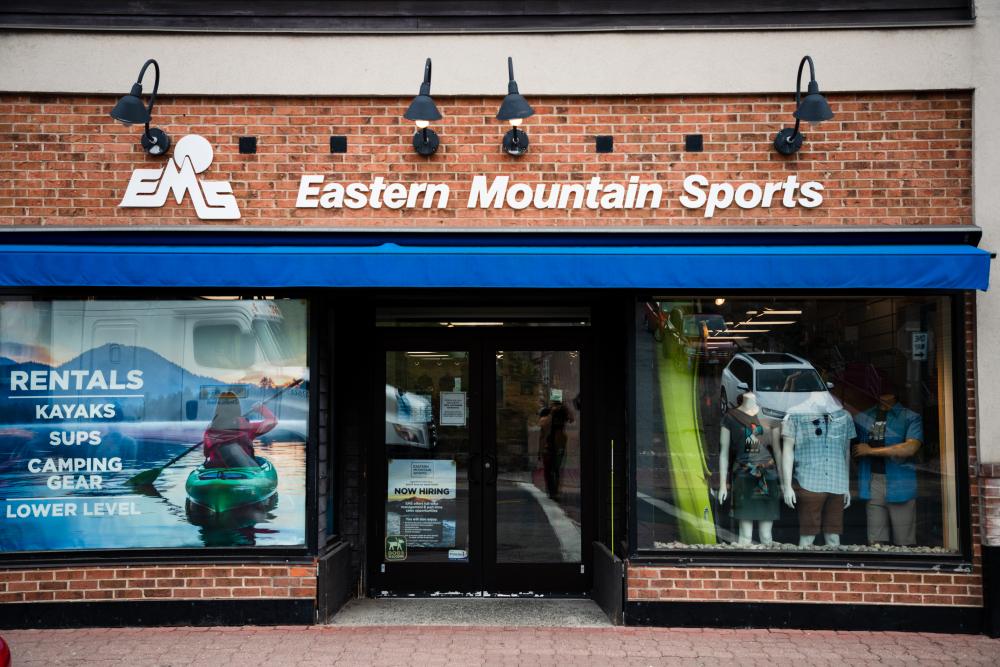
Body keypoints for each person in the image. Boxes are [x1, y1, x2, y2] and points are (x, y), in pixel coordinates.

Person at [852, 387, 923, 546]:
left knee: (904, 541)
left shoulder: (910, 417)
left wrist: (870, 451)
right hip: (872, 481)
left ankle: (905, 569)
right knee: (875, 541)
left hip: (900, 481)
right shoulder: (863, 417)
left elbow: (910, 448)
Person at [202, 391, 277, 469]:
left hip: (214, 472)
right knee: (234, 449)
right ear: (237, 408)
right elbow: (273, 421)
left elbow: (206, 454)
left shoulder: (210, 431)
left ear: (219, 408)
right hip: (244, 472)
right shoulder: (247, 427)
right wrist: (261, 409)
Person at [538, 391, 575, 500]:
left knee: (556, 469)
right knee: (549, 470)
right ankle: (552, 491)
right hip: (549, 445)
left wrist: (565, 409)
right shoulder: (548, 412)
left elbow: (571, 419)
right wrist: (552, 413)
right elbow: (544, 428)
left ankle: (555, 491)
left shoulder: (562, 412)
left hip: (558, 444)